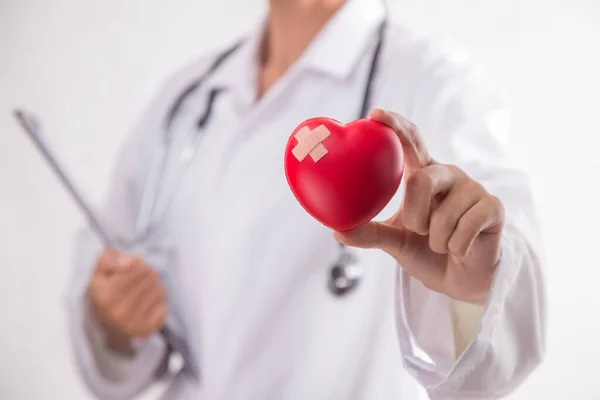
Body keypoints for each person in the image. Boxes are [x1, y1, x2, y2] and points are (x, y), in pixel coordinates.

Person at [65, 0, 546, 399]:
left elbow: (509, 311)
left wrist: (478, 281)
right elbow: (112, 346)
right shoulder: (185, 100)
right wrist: (115, 322)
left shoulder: (436, 82)